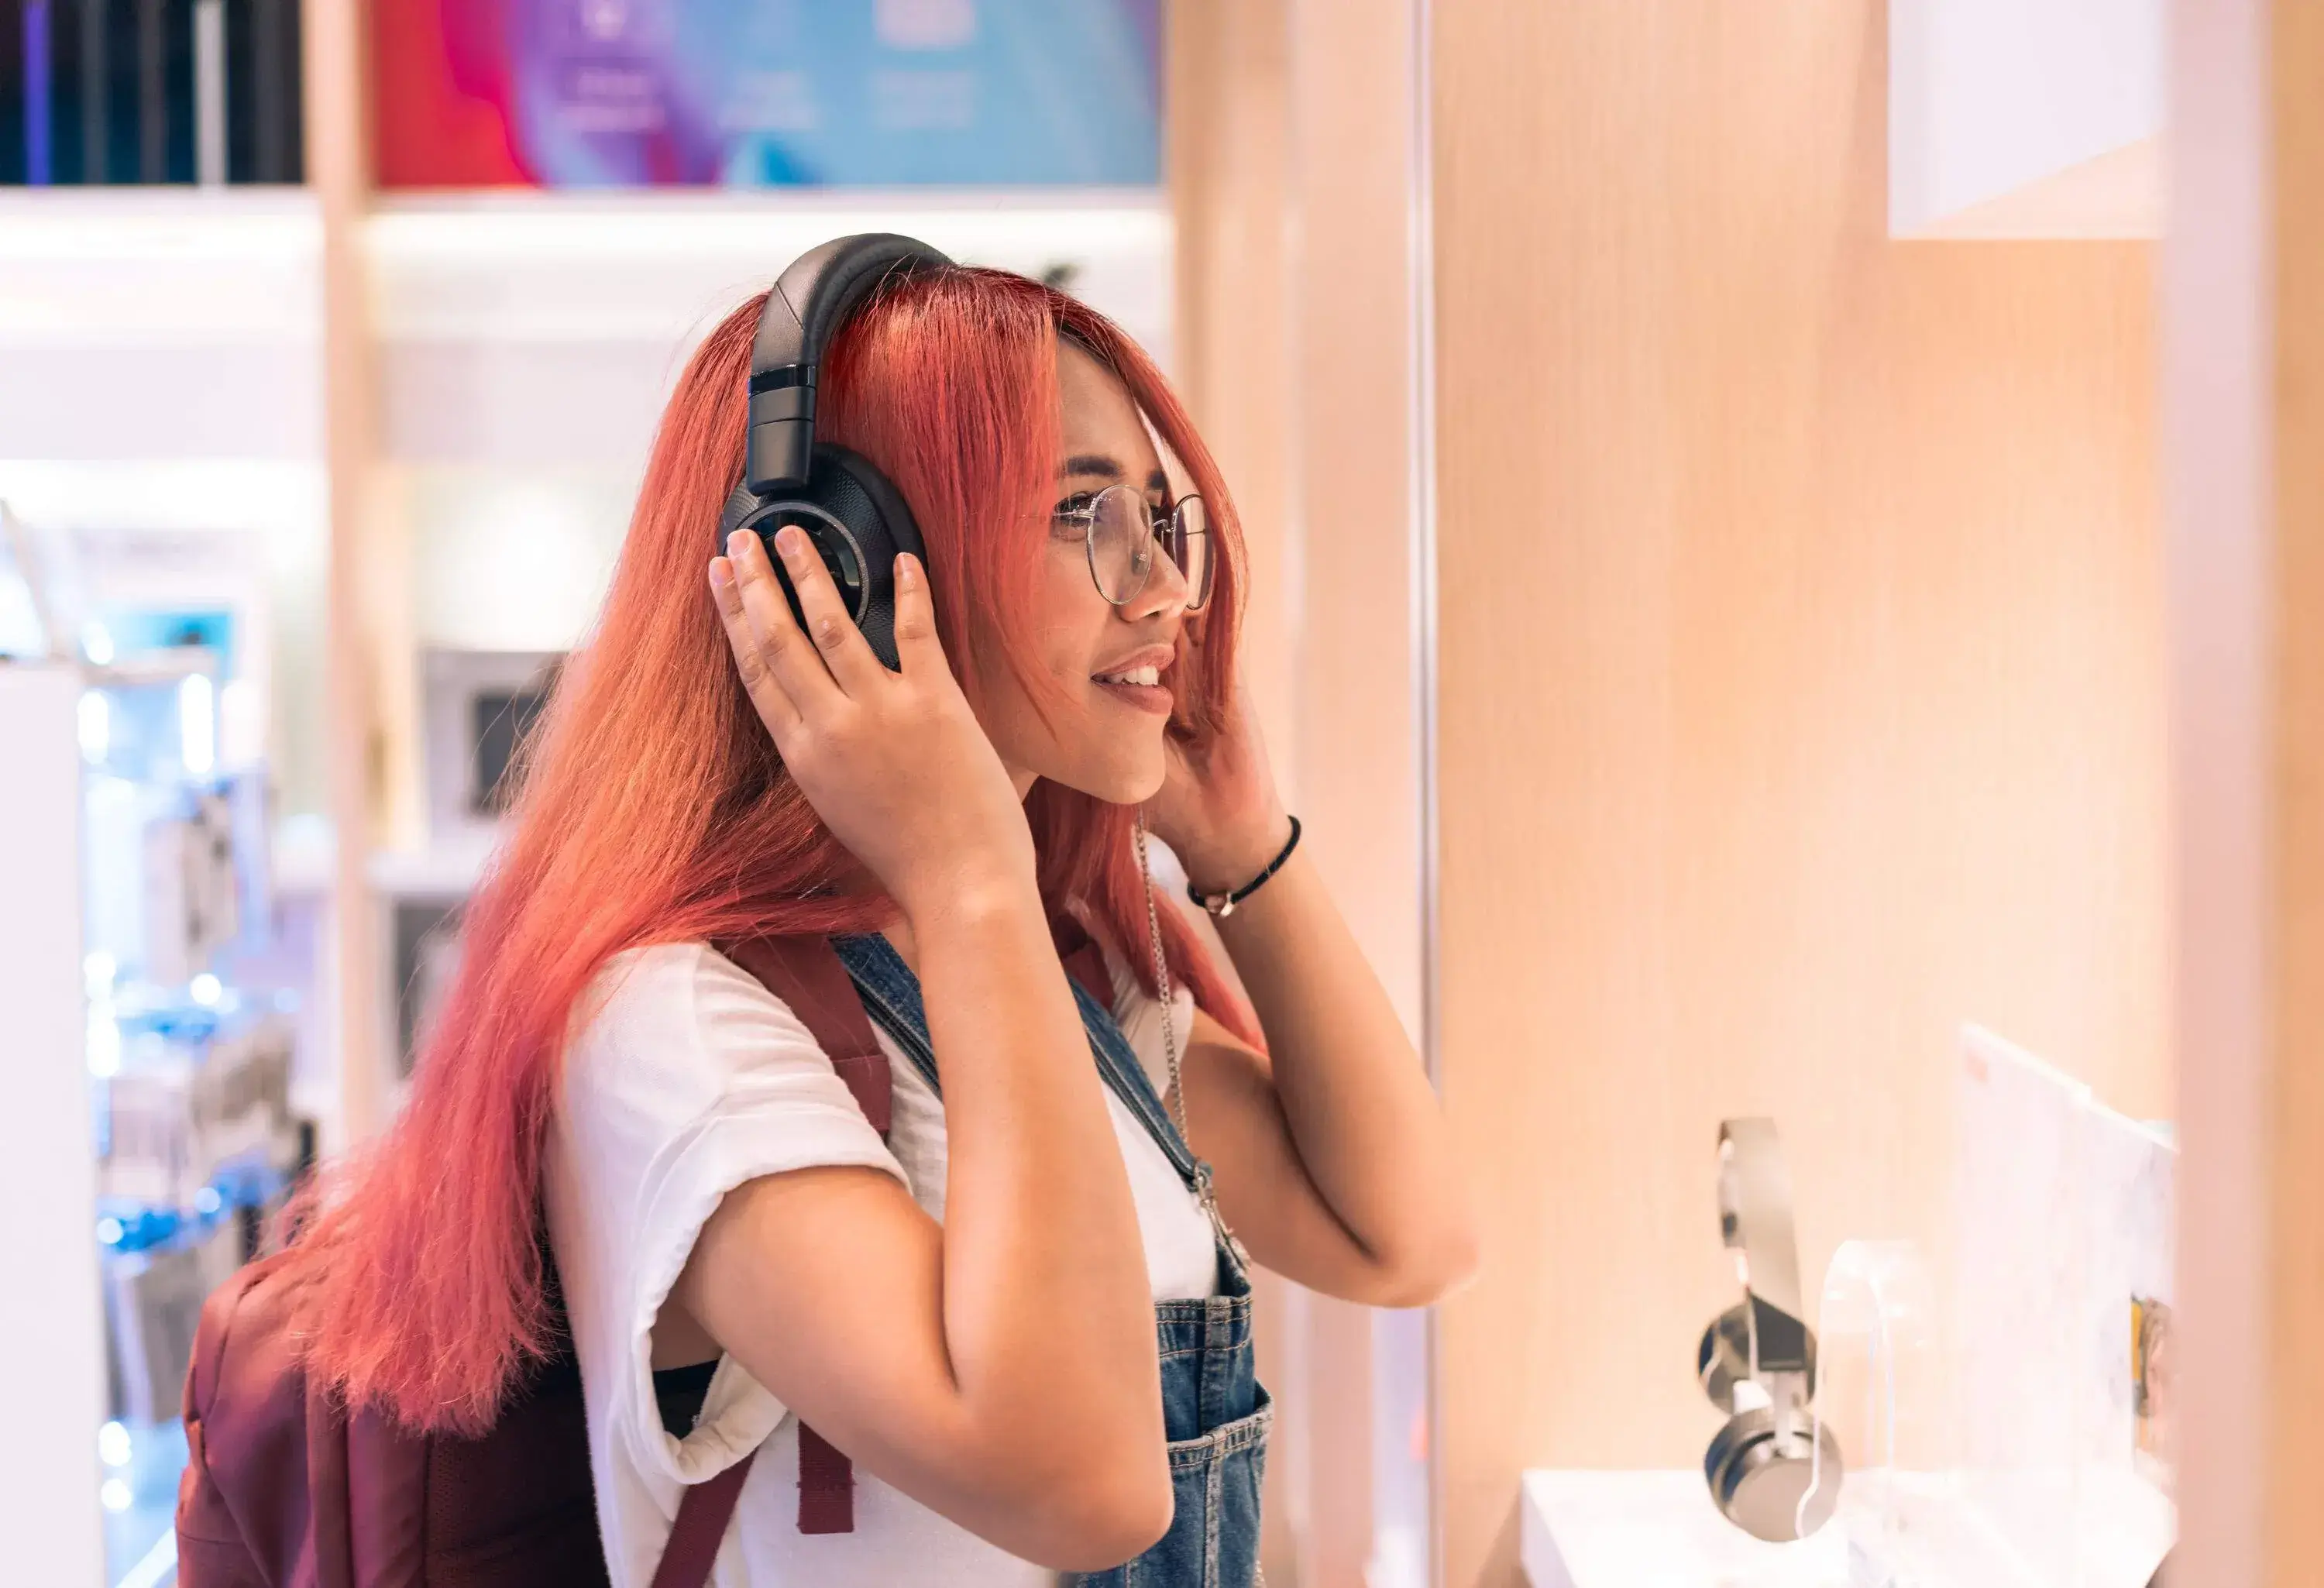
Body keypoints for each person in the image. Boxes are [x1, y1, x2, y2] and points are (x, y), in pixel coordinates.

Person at [285, 258, 1477, 1586]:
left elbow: (1404, 1235)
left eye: (1157, 518)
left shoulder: (1039, 979)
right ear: (842, 570)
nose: (1165, 590)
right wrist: (966, 870)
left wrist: (1242, 848)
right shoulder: (679, 1027)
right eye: (1083, 512)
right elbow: (1084, 1486)